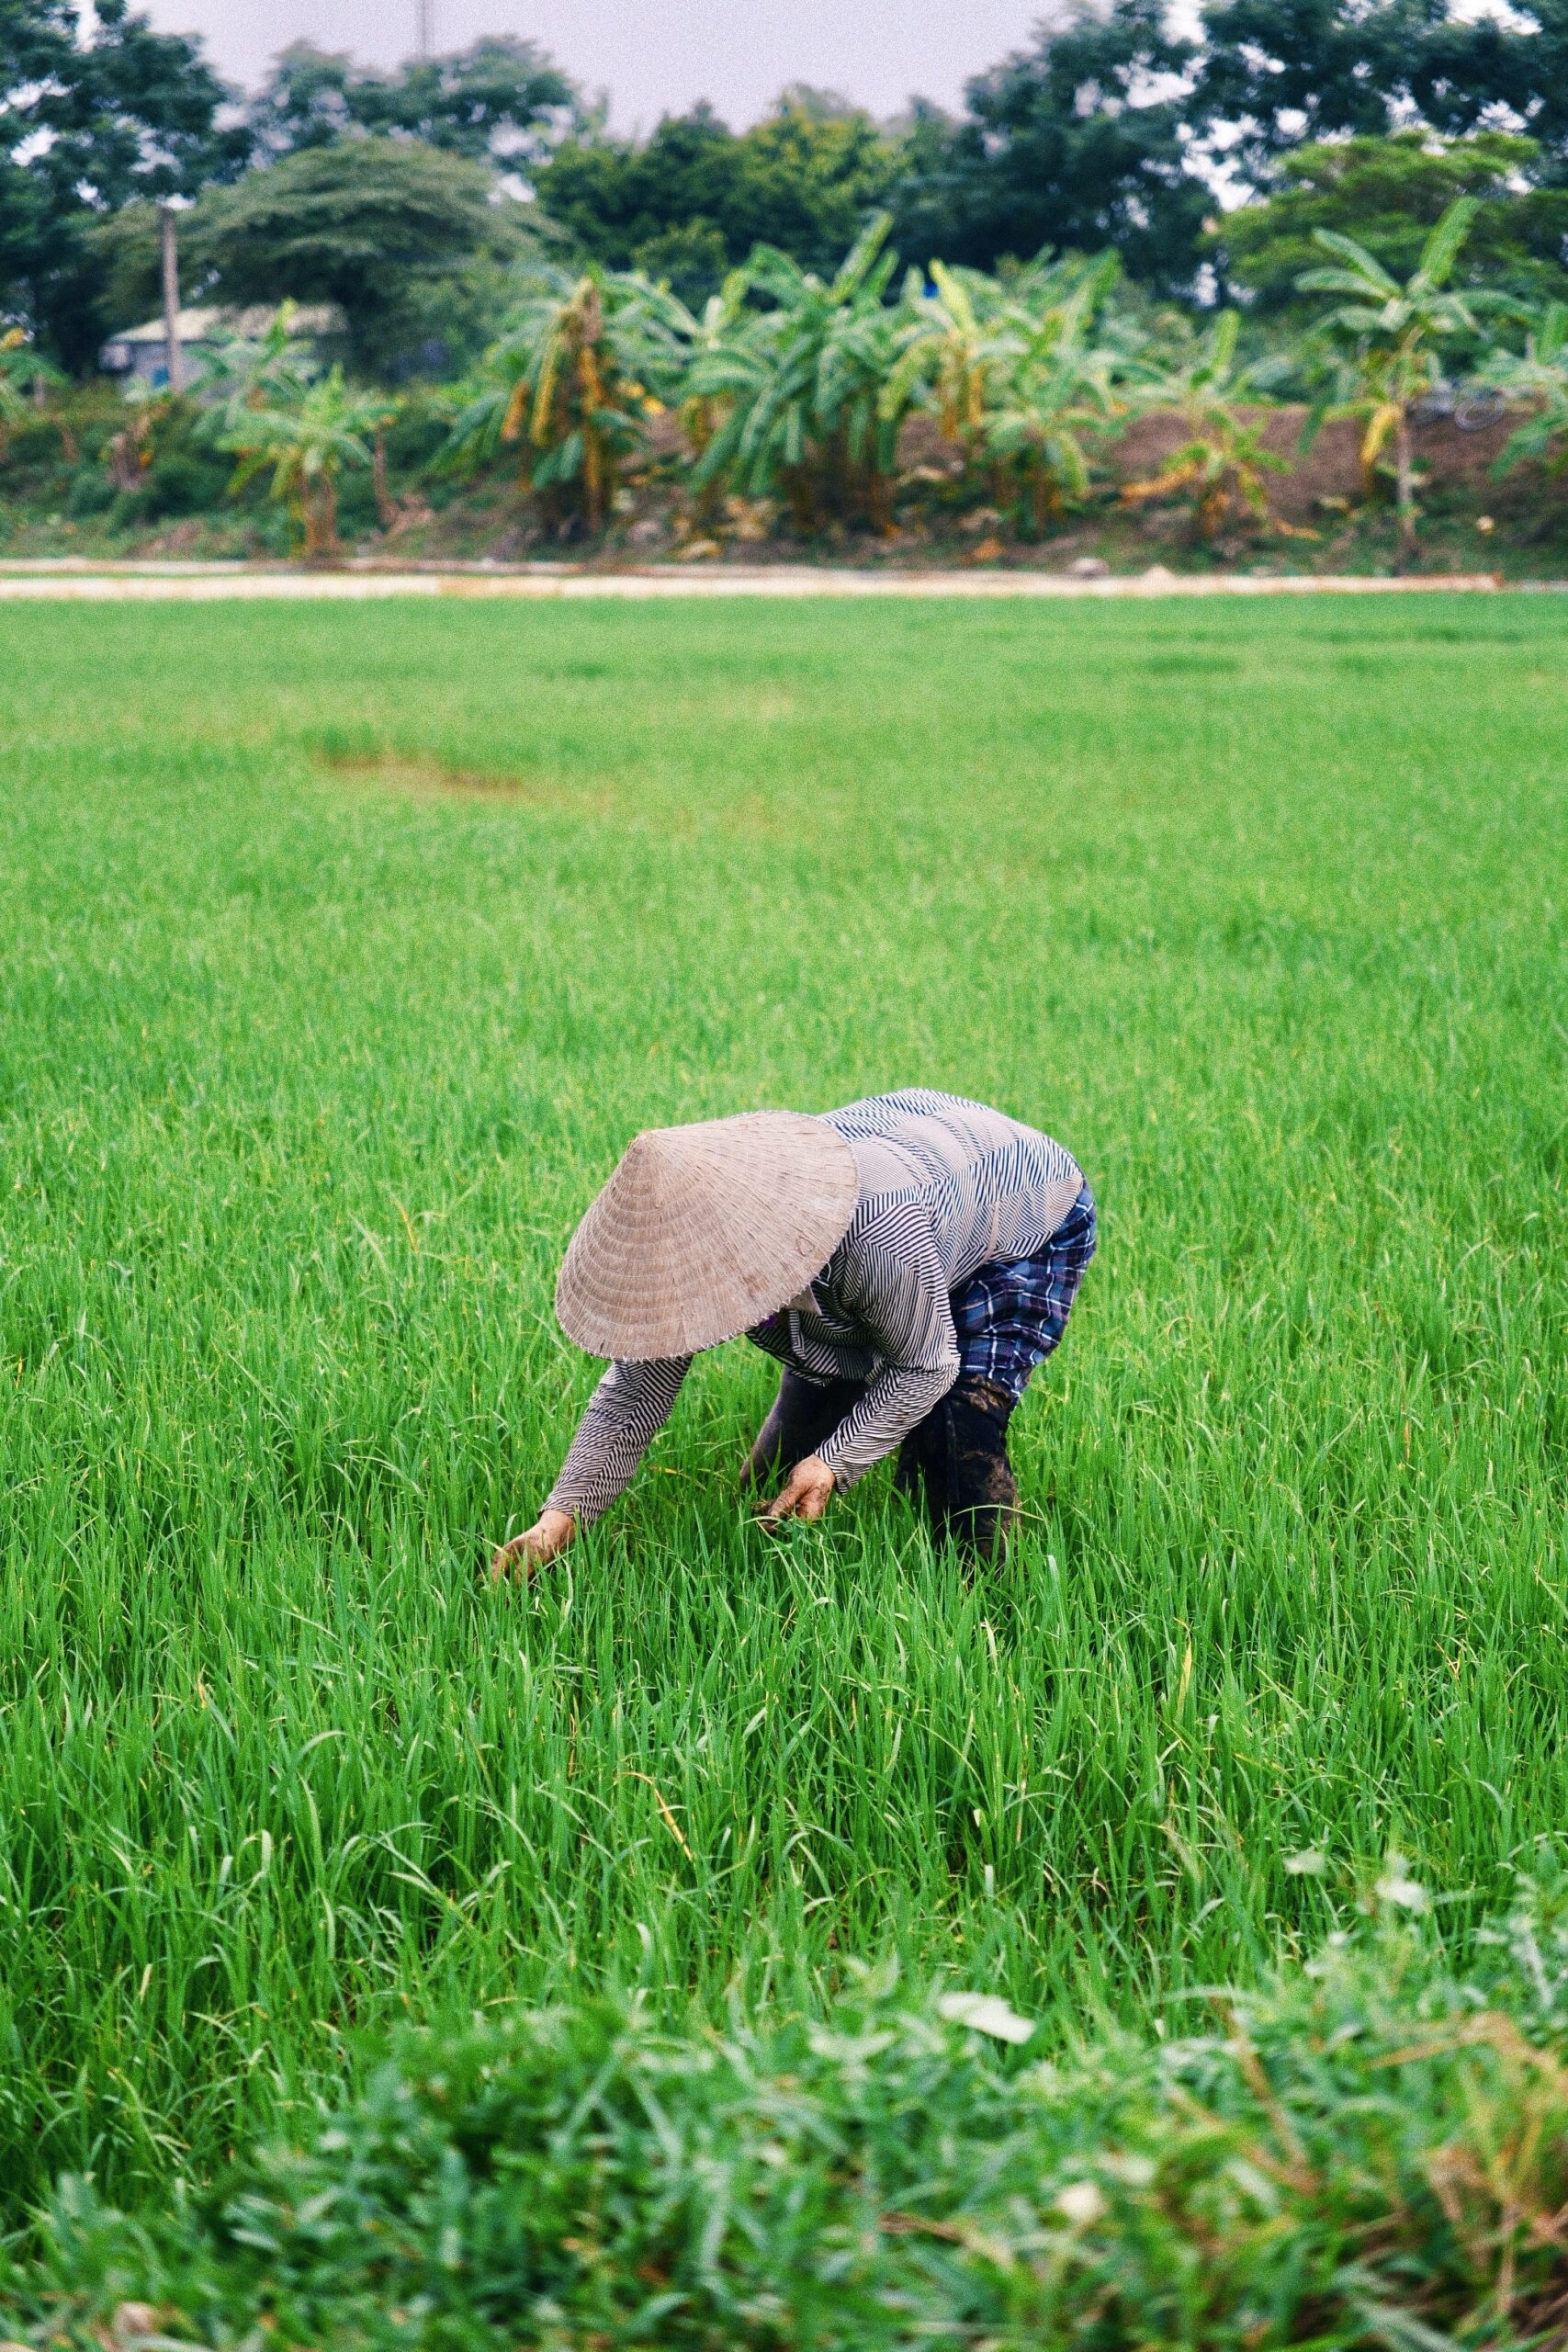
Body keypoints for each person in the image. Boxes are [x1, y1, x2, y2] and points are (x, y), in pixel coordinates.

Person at [490, 1089, 1096, 1579]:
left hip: (1023, 1212)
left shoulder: (879, 1239)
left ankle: (984, 1592)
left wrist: (834, 1462)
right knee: (772, 1482)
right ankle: (872, 1472)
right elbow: (630, 1398)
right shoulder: (702, 1248)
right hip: (911, 1179)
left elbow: (924, 1366)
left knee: (955, 1415)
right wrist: (560, 1519)